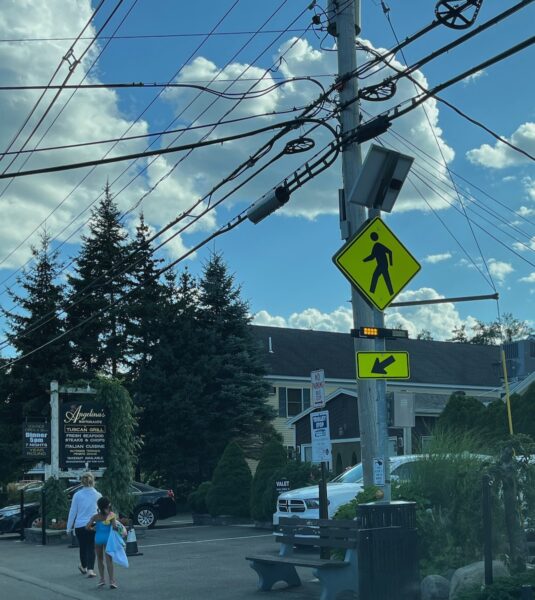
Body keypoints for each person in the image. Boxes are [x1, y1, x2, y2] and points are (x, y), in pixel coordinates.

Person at [66, 472, 101, 578]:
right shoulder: (98, 495)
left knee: (82, 546)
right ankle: (90, 569)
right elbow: (100, 511)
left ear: (82, 482)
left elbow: (73, 512)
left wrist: (68, 528)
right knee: (91, 547)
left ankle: (84, 566)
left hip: (79, 525)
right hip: (93, 524)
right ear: (93, 481)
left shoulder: (77, 495)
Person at [87, 497, 119, 589]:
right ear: (108, 505)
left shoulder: (95, 516)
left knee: (100, 559)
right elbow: (114, 527)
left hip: (98, 539)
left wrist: (93, 528)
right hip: (107, 538)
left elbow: (87, 526)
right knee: (109, 560)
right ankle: (112, 581)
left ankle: (102, 579)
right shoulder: (111, 515)